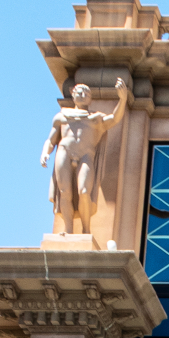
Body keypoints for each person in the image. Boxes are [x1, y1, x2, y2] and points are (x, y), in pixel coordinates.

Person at [41, 79, 128, 235]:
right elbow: (51, 139)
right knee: (65, 191)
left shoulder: (96, 118)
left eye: (85, 92)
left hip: (86, 154)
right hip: (64, 151)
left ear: (90, 98)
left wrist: (123, 99)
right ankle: (68, 229)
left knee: (84, 190)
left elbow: (114, 118)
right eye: (78, 92)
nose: (82, 94)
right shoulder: (61, 116)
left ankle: (86, 229)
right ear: (73, 95)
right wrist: (45, 152)